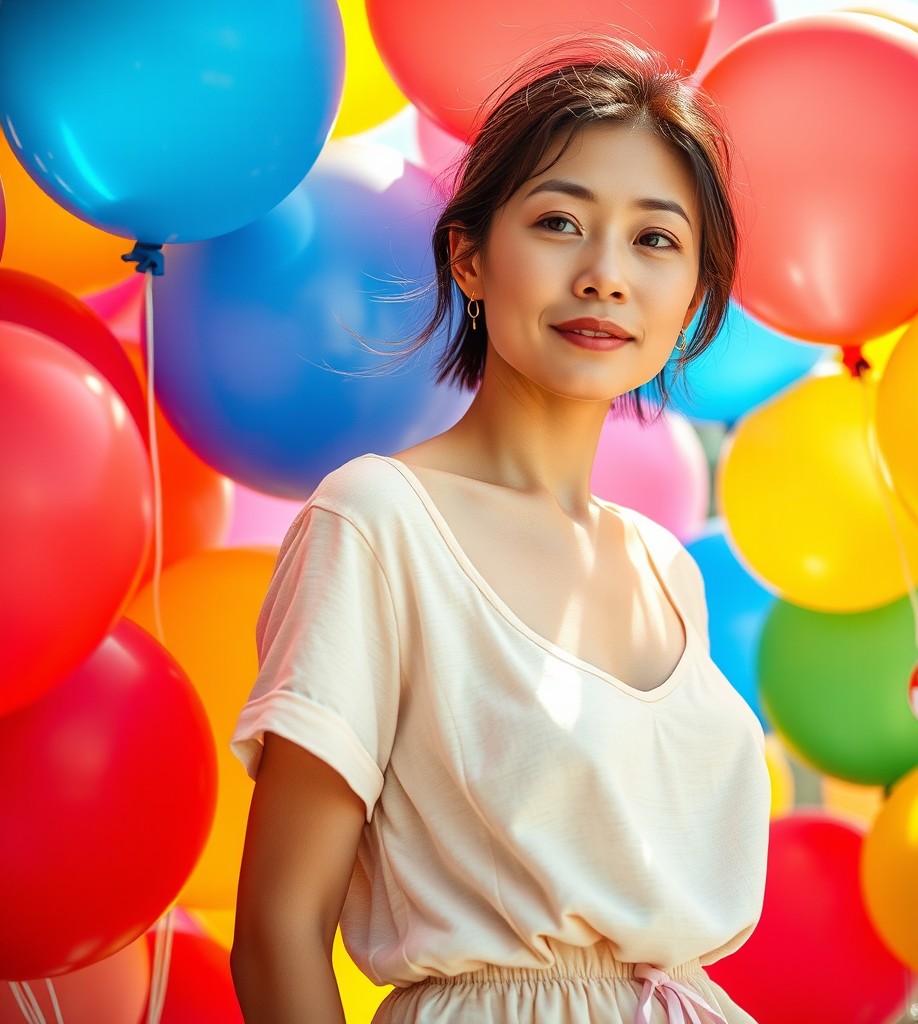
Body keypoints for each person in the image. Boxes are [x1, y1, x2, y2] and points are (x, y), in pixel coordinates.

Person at [229, 36, 770, 1024]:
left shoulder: (663, 567)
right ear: (469, 257)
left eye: (655, 239)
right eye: (560, 222)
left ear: (693, 296)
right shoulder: (382, 520)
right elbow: (276, 930)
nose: (605, 274)